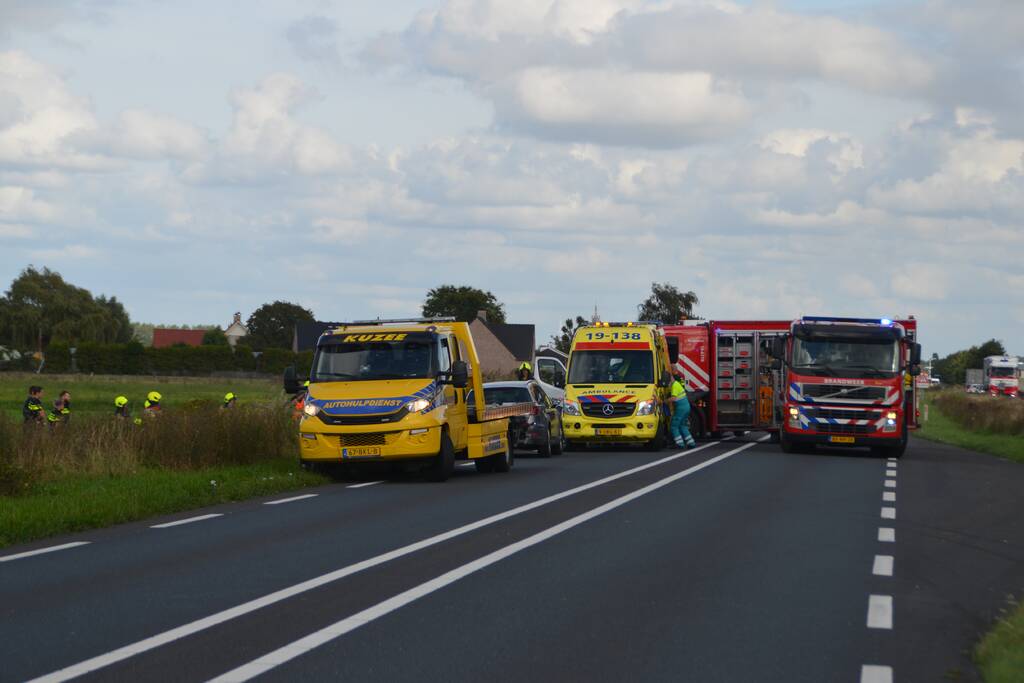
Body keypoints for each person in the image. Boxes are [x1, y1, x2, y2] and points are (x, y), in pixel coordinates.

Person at [669, 372, 696, 449]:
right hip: (686, 407)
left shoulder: (674, 386)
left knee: (674, 426)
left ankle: (679, 444)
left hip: (681, 408)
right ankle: (691, 443)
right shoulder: (677, 384)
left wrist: (663, 401)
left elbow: (673, 398)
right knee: (683, 425)